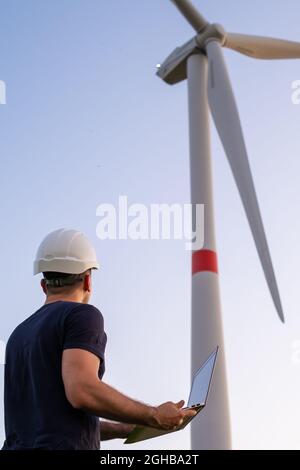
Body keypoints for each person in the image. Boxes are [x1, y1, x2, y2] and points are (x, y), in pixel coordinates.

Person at [2, 229, 196, 450]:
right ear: (87, 281)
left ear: (44, 285)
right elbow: (81, 390)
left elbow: (51, 422)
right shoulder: (81, 315)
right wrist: (154, 415)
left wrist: (131, 426)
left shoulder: (17, 336)